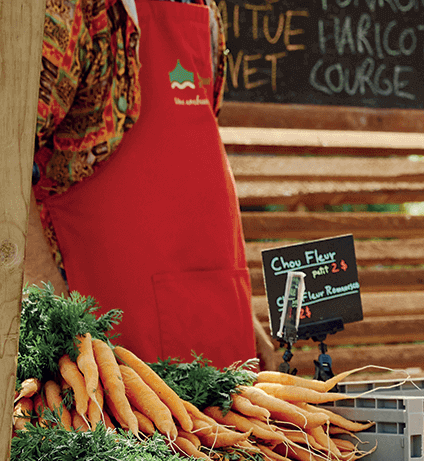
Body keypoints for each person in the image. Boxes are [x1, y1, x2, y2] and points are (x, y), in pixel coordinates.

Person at [25, 0, 257, 367]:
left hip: (219, 314)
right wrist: (53, 319)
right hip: (111, 342)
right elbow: (8, 163)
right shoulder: (72, 10)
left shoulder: (204, 8)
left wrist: (247, 314)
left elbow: (197, 155)